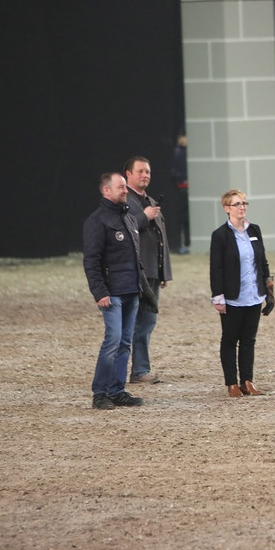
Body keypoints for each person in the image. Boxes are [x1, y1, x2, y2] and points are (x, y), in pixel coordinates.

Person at [82, 173, 145, 410]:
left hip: (131, 290)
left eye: (125, 187)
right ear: (106, 191)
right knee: (113, 341)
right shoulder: (96, 221)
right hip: (112, 293)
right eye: (120, 187)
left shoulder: (128, 217)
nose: (125, 190)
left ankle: (117, 390)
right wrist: (100, 292)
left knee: (125, 342)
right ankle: (100, 392)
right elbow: (91, 261)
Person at [209, 189, 274, 398]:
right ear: (227, 208)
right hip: (232, 296)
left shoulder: (254, 230)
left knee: (249, 340)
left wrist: (269, 290)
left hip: (253, 294)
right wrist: (218, 296)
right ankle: (231, 383)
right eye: (237, 204)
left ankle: (247, 381)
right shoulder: (220, 235)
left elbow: (262, 261)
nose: (242, 207)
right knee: (229, 340)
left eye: (244, 203)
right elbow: (216, 268)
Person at [124, 156, 172, 385]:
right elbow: (123, 228)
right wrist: (145, 216)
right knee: (137, 322)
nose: (145, 175)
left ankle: (140, 369)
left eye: (148, 172)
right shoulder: (124, 201)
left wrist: (164, 272)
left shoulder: (150, 200)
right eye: (141, 171)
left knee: (147, 321)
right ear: (128, 174)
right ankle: (138, 370)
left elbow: (161, 239)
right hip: (134, 272)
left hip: (152, 271)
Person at [170, 133, 191, 254]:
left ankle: (187, 243)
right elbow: (174, 173)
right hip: (181, 190)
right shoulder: (178, 152)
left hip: (187, 191)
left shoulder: (187, 152)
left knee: (187, 219)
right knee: (181, 218)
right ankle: (181, 244)